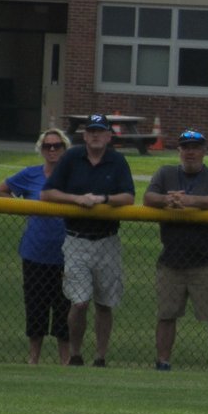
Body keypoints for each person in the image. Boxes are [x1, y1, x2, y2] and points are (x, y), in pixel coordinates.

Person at [40, 113, 136, 366]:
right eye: (90, 131)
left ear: (108, 136)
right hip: (77, 239)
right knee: (80, 301)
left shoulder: (117, 161)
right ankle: (75, 353)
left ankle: (100, 356)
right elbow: (47, 193)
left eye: (100, 131)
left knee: (105, 303)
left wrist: (103, 199)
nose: (95, 135)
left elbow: (129, 197)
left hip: (107, 239)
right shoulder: (72, 157)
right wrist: (77, 199)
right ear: (84, 135)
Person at [143, 129, 208, 373]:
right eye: (185, 147)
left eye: (195, 147)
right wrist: (167, 200)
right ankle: (163, 363)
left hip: (207, 260)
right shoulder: (165, 173)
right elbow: (148, 197)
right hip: (171, 259)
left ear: (204, 151)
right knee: (166, 314)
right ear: (179, 151)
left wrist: (191, 201)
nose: (190, 152)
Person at [0, 128, 73, 365]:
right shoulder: (30, 175)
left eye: (57, 146)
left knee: (64, 309)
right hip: (35, 251)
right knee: (36, 305)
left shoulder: (72, 177)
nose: (52, 150)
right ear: (40, 149)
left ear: (64, 149)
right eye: (47, 146)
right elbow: (1, 189)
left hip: (68, 252)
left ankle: (65, 360)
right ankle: (34, 359)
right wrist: (23, 209)